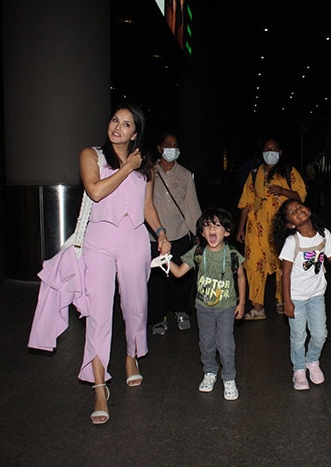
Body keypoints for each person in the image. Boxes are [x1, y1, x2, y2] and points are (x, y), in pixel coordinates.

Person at [78, 102, 170, 424]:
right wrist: (126, 168)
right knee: (98, 313)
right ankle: (100, 387)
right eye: (115, 120)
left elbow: (146, 206)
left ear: (136, 132)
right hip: (99, 240)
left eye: (127, 124)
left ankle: (132, 357)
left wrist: (159, 232)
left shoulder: (145, 165)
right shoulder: (92, 155)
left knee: (135, 305)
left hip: (134, 239)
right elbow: (96, 191)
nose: (117, 127)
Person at [161, 207, 246, 400]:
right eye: (207, 226)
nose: (211, 230)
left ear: (227, 232)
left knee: (225, 344)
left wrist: (241, 303)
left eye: (217, 225)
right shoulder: (198, 252)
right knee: (206, 342)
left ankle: (229, 377)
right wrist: (166, 259)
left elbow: (241, 277)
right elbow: (178, 272)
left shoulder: (232, 254)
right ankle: (209, 371)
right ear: (201, 232)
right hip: (203, 308)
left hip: (226, 307)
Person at [272, 199, 331, 390]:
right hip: (296, 297)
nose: (298, 211)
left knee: (320, 334)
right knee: (298, 336)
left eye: (299, 207)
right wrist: (287, 301)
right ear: (290, 224)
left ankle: (312, 361)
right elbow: (286, 274)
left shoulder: (323, 234)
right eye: (292, 212)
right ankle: (299, 370)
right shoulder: (293, 242)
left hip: (316, 294)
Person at [236, 136, 307, 320]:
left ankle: (282, 300)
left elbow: (301, 196)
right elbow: (246, 202)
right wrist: (240, 228)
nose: (270, 152)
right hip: (256, 228)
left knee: (282, 264)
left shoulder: (289, 172)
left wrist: (283, 191)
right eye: (267, 149)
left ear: (280, 152)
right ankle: (257, 306)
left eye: (274, 149)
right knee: (253, 265)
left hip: (280, 227)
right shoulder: (254, 174)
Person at [147, 131, 202, 334]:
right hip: (153, 237)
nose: (172, 148)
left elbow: (192, 206)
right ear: (160, 149)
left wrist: (198, 232)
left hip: (179, 234)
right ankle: (158, 317)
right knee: (157, 280)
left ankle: (180, 310)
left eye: (175, 145)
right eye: (168, 144)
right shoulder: (149, 173)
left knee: (181, 279)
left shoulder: (185, 174)